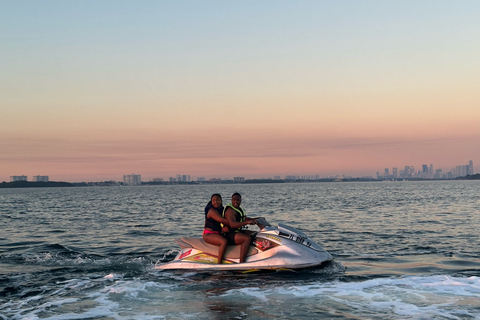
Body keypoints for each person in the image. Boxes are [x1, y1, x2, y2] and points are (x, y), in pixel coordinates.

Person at [222, 192, 257, 263]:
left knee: (256, 234)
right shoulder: (230, 211)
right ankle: (242, 262)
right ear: (231, 200)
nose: (236, 202)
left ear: (240, 201)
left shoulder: (239, 209)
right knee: (247, 239)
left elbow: (245, 219)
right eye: (234, 200)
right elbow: (233, 224)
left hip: (237, 231)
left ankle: (254, 256)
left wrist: (257, 220)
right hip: (228, 234)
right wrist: (246, 222)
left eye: (237, 200)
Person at [203, 194, 230, 264]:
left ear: (221, 201)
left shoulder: (222, 209)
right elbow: (222, 220)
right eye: (213, 200)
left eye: (218, 200)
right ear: (211, 202)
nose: (216, 202)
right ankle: (219, 263)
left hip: (218, 233)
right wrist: (236, 223)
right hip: (209, 234)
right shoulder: (211, 211)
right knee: (224, 242)